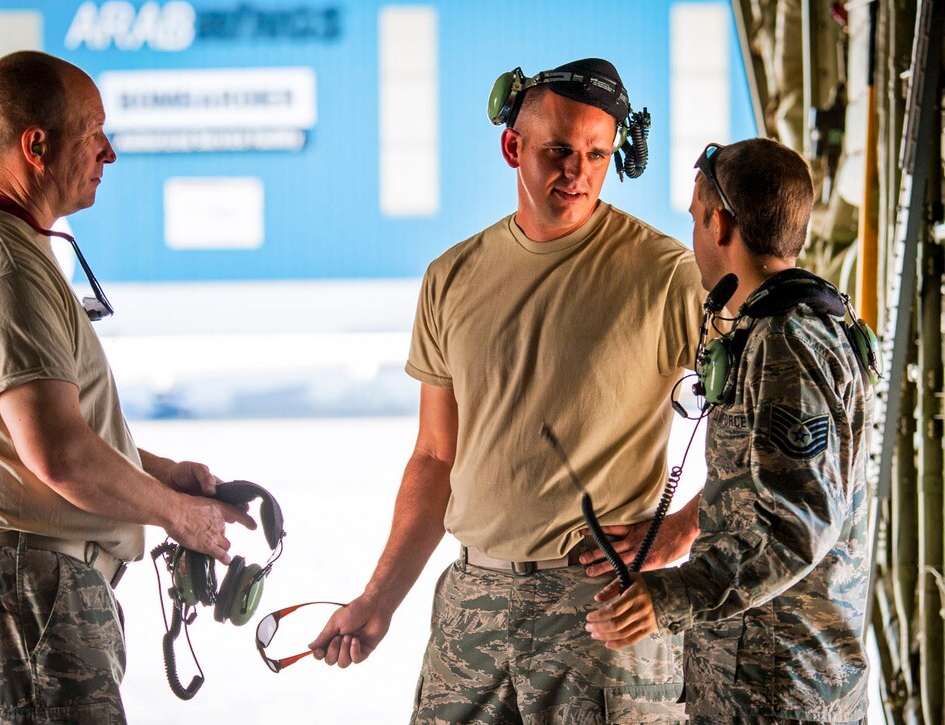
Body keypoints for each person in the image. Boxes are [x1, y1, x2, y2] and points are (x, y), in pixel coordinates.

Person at [310, 58, 708, 723]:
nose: (576, 171)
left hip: (601, 612)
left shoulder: (667, 276)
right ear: (512, 146)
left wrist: (679, 530)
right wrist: (378, 598)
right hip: (472, 606)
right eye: (557, 150)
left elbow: (762, 417)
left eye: (596, 154)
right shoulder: (452, 277)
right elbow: (436, 458)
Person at [0, 51, 254, 724]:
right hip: (22, 601)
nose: (110, 151)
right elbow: (59, 455)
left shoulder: (17, 254)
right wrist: (177, 514)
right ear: (37, 145)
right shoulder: (4, 270)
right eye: (93, 130)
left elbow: (38, 437)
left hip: (27, 595)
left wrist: (167, 474)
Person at [585, 138, 872, 724]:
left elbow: (795, 526)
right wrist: (683, 529)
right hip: (772, 674)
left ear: (720, 224)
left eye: (695, 217)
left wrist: (669, 598)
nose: (694, 234)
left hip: (778, 686)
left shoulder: (787, 342)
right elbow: (762, 487)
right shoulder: (789, 324)